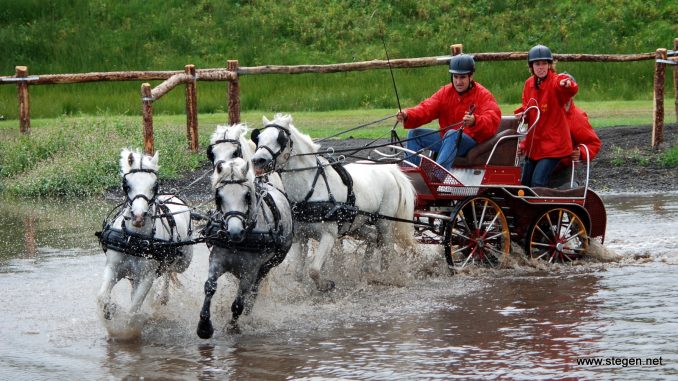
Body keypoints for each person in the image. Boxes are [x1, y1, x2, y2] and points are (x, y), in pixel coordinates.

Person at [396, 54, 501, 169]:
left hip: (470, 143)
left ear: (471, 76)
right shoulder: (445, 92)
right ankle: (411, 174)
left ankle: (438, 176)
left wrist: (475, 121)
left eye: (462, 77)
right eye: (455, 77)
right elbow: (426, 108)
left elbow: (493, 119)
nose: (458, 82)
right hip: (447, 139)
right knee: (414, 134)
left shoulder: (483, 95)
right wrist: (407, 114)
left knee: (452, 134)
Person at [514, 44, 578, 187]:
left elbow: (567, 86)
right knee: (524, 184)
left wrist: (567, 83)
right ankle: (527, 209)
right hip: (534, 146)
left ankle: (542, 209)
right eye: (537, 64)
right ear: (531, 66)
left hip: (554, 146)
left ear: (550, 65)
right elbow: (527, 108)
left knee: (537, 182)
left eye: (544, 63)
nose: (541, 67)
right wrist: (521, 115)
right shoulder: (528, 84)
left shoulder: (556, 81)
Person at [549, 99, 602, 188]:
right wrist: (523, 146)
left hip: (564, 171)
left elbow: (593, 143)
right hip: (538, 167)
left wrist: (581, 152)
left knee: (570, 188)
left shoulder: (576, 116)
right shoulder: (544, 113)